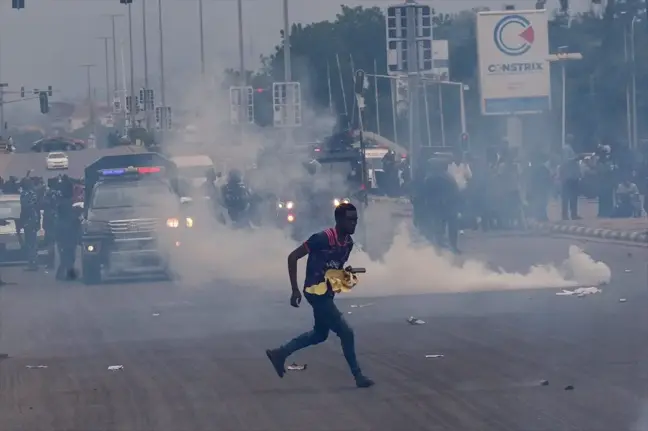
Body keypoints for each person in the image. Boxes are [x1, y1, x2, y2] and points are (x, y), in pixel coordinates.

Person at [265, 202, 374, 388]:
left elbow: (333, 269)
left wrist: (344, 275)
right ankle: (358, 376)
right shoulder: (322, 238)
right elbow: (293, 257)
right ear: (339, 220)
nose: (354, 224)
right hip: (315, 292)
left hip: (327, 292)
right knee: (346, 333)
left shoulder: (348, 243)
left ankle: (280, 353)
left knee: (320, 334)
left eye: (356, 220)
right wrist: (295, 289)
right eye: (350, 220)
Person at [19, 178, 40, 271]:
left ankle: (32, 264)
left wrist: (20, 222)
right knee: (33, 242)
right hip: (34, 219)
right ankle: (34, 262)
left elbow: (24, 209)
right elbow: (37, 207)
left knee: (30, 242)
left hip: (28, 220)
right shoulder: (34, 193)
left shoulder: (24, 194)